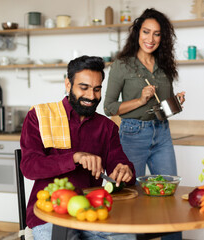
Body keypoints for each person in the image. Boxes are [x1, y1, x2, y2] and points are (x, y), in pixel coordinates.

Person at [20, 56, 136, 240]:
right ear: (68, 84)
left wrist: (125, 170)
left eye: (97, 89)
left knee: (127, 237)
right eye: (84, 88)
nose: (91, 96)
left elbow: (119, 164)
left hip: (91, 212)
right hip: (48, 215)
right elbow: (29, 167)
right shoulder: (39, 117)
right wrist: (74, 157)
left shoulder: (107, 127)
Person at [104, 8, 185, 240]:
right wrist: (139, 100)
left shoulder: (165, 66)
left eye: (157, 34)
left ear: (163, 38)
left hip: (161, 134)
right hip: (132, 134)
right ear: (137, 32)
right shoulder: (122, 65)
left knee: (169, 196)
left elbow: (163, 108)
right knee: (130, 197)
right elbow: (109, 107)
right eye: (146, 32)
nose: (150, 39)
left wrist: (176, 103)